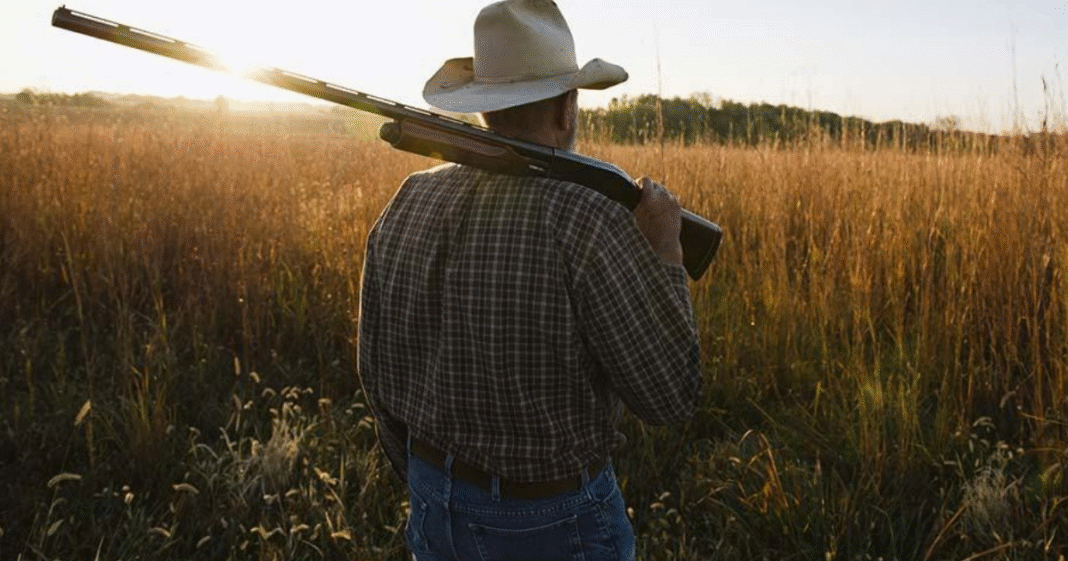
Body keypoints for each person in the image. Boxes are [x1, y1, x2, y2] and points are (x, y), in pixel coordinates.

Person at [356, 1, 702, 559]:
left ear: (483, 107)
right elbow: (669, 396)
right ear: (568, 107)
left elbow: (375, 372)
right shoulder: (591, 215)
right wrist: (664, 254)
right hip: (554, 524)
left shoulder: (409, 200)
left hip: (431, 503)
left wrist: (432, 480)